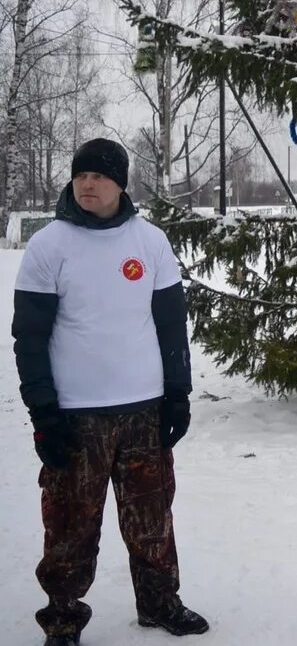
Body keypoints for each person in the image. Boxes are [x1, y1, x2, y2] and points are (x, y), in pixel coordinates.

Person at [13, 138, 207, 646]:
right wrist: (44, 414)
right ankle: (62, 618)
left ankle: (160, 603)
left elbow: (171, 327)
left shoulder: (150, 243)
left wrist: (178, 394)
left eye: (98, 176)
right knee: (70, 528)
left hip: (143, 410)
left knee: (151, 517)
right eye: (80, 175)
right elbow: (29, 339)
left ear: (120, 182)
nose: (87, 184)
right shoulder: (49, 246)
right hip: (75, 416)